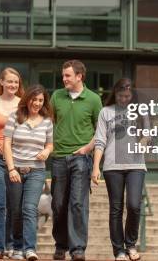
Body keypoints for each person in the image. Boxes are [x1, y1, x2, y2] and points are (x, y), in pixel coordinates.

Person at [91, 78, 149, 261]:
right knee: (116, 208)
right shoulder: (105, 112)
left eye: (127, 96)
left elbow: (148, 135)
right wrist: (95, 167)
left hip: (136, 165)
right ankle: (119, 250)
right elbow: (100, 140)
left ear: (133, 96)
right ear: (115, 94)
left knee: (134, 205)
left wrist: (142, 142)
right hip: (112, 166)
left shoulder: (140, 111)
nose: (124, 99)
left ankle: (130, 244)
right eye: (120, 95)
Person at [50, 60, 103, 261]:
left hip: (81, 158)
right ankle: (60, 245)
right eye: (63, 75)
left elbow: (101, 130)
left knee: (78, 204)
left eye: (68, 76)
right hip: (58, 158)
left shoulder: (93, 99)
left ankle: (78, 249)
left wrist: (88, 148)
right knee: (58, 204)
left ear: (79, 76)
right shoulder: (56, 96)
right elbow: (49, 123)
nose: (64, 79)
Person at [4, 84, 54, 261]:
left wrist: (47, 152)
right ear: (28, 100)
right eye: (35, 99)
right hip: (15, 169)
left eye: (41, 100)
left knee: (30, 209)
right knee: (16, 210)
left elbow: (49, 143)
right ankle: (17, 248)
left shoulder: (47, 121)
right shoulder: (15, 118)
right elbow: (7, 144)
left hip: (37, 171)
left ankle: (30, 248)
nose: (38, 103)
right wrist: (11, 168)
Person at [0, 68, 24, 259]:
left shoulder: (23, 104)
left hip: (16, 159)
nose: (13, 85)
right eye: (9, 81)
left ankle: (11, 244)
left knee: (14, 205)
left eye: (16, 82)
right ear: (1, 82)